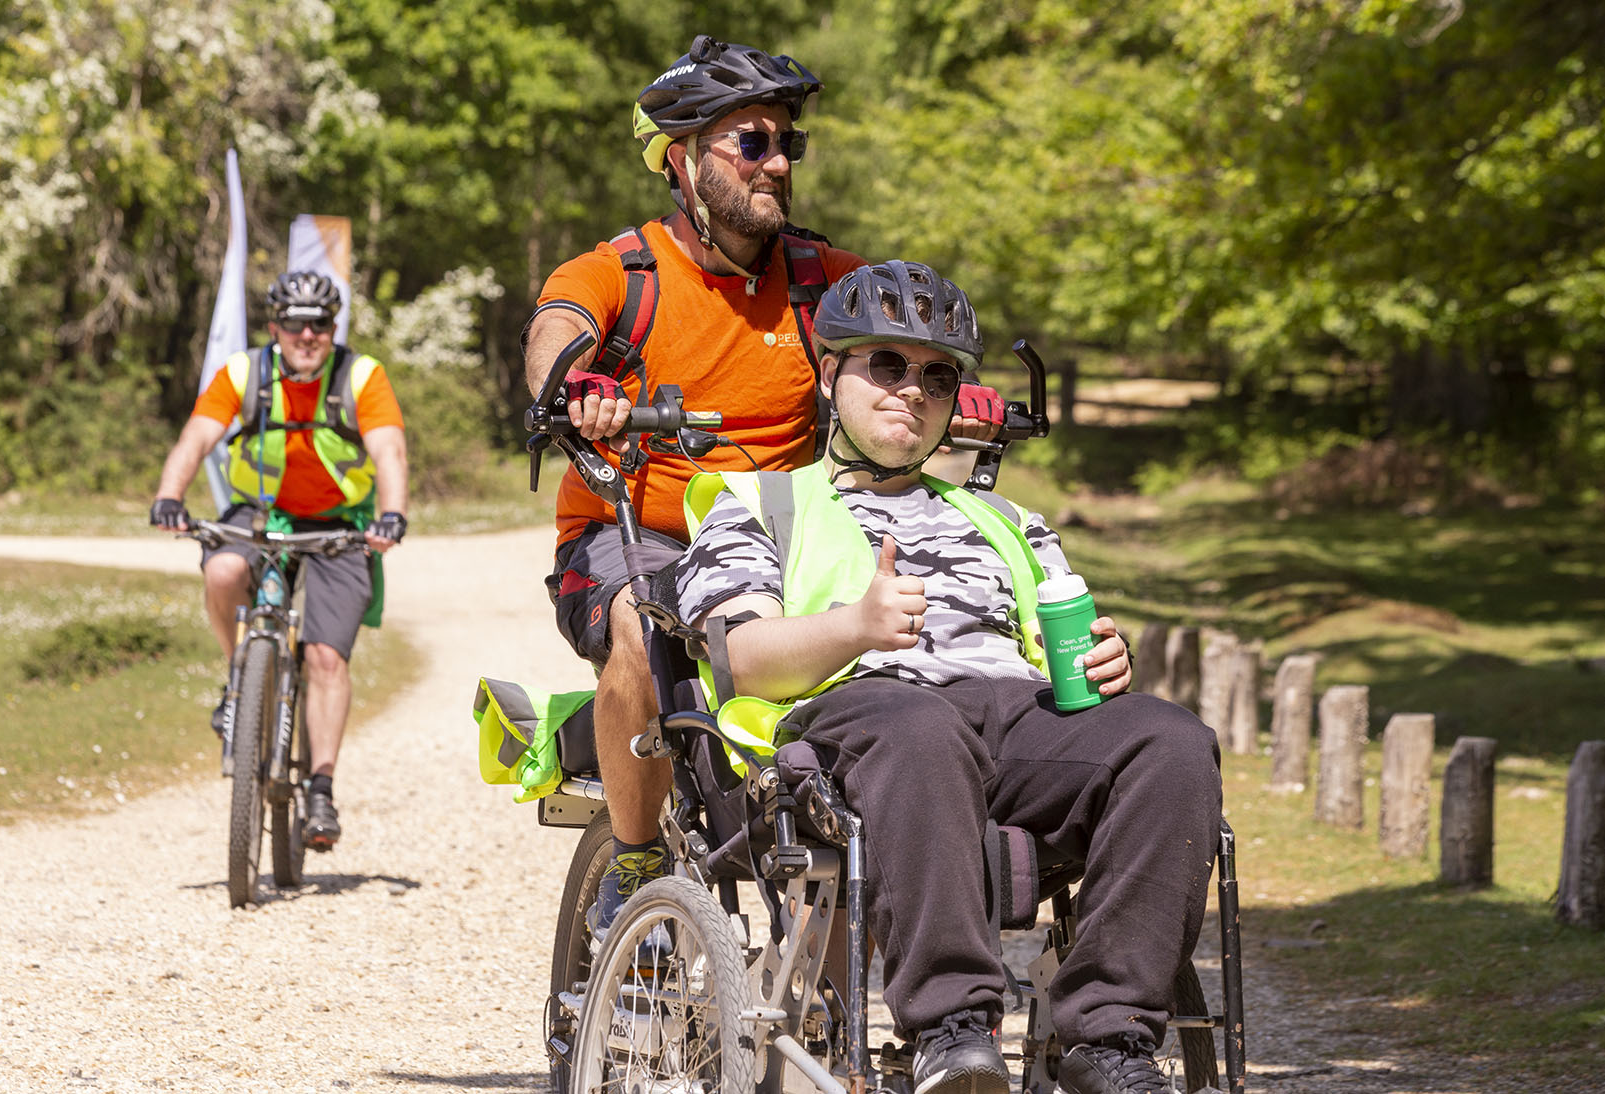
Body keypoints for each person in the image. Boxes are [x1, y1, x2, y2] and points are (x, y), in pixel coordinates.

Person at [676, 261, 1222, 1094]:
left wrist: (1107, 659)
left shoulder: (1008, 520)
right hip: (848, 715)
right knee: (915, 725)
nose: (912, 391)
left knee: (1171, 742)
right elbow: (738, 655)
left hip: (1006, 713)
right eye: (885, 366)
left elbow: (1061, 654)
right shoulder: (758, 504)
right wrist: (854, 626)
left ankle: (1108, 1040)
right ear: (831, 376)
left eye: (937, 375)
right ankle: (951, 1029)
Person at [523, 35, 1009, 934]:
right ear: (681, 158)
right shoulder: (618, 273)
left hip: (775, 540)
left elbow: (902, 337)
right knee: (642, 623)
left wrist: (951, 384)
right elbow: (555, 333)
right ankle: (632, 862)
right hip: (637, 529)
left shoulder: (820, 275)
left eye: (786, 142)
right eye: (750, 142)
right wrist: (574, 387)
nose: (777, 162)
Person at [149, 270, 409, 851]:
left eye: (320, 323)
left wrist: (391, 512)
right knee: (222, 570)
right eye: (295, 323)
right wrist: (170, 494)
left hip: (341, 523)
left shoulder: (360, 375)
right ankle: (240, 679)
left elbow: (389, 450)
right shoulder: (245, 372)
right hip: (260, 512)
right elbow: (196, 437)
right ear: (276, 328)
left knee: (324, 657)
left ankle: (320, 788)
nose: (308, 334)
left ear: (333, 327)